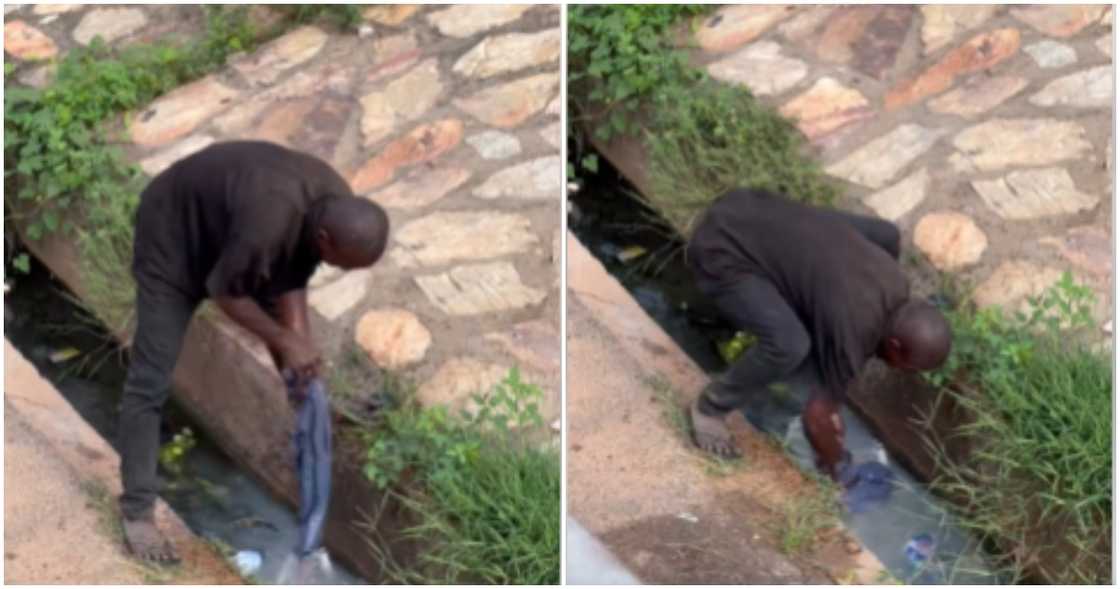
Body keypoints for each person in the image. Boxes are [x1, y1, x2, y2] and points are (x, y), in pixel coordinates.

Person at [119, 141, 389, 563]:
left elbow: (293, 276)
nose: (342, 271)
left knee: (300, 368)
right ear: (325, 239)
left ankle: (305, 431)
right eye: (344, 265)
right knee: (149, 381)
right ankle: (137, 513)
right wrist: (285, 341)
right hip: (171, 240)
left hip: (230, 237)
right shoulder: (269, 220)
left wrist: (302, 360)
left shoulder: (331, 198)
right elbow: (224, 292)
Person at [684, 188, 951, 479]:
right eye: (907, 367)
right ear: (895, 345)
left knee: (887, 234)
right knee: (790, 345)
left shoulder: (894, 278)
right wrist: (836, 465)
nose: (903, 372)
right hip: (720, 250)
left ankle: (787, 290)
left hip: (748, 206)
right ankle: (709, 409)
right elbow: (817, 417)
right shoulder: (855, 333)